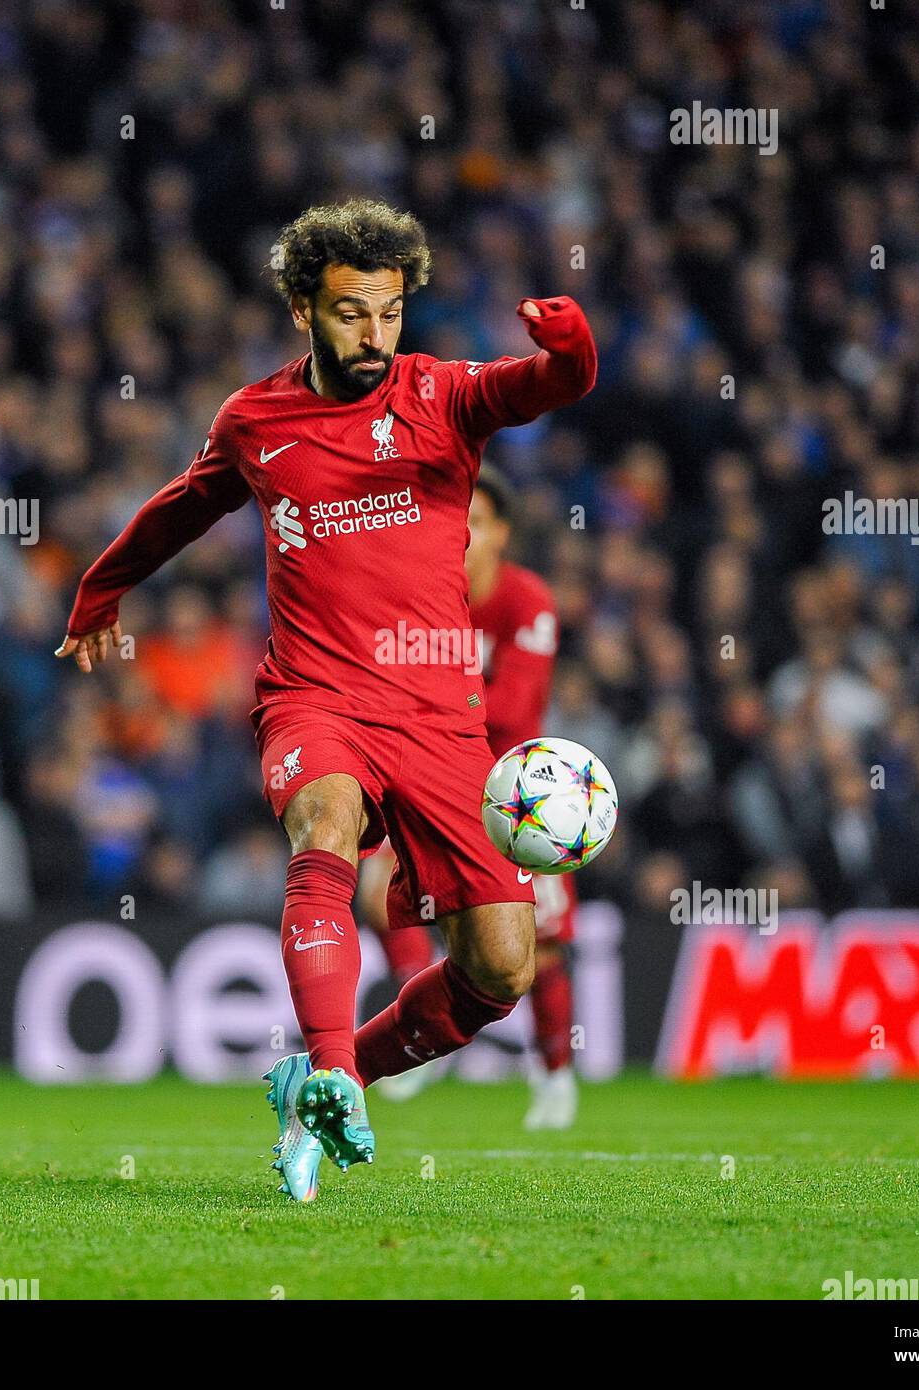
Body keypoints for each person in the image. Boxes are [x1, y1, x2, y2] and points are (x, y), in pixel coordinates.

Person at [56, 199, 596, 1201]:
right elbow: (182, 506)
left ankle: (326, 1082)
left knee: (502, 968)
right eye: (352, 313)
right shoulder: (255, 422)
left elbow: (551, 385)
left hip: (441, 717)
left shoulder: (442, 396)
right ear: (302, 308)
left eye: (389, 313)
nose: (375, 336)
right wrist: (101, 587)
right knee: (326, 823)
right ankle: (336, 1064)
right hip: (318, 693)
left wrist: (571, 346)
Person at [359, 464, 580, 1128]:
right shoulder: (423, 599)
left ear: (502, 532)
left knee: (540, 947)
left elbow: (511, 713)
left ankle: (556, 1076)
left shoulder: (526, 601)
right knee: (380, 896)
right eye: (453, 522)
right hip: (433, 780)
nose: (461, 536)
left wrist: (437, 714)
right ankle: (422, 1040)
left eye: (476, 524)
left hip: (518, 793)